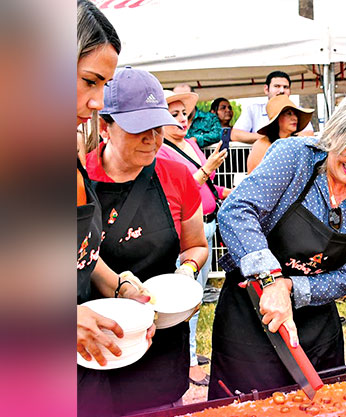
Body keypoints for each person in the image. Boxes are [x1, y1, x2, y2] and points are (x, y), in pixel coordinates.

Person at [207, 83, 346, 399]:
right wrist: (272, 280)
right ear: (338, 131)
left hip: (317, 330)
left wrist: (291, 288)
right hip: (250, 319)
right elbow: (236, 210)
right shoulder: (295, 156)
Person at [86, 66, 209, 415]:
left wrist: (186, 274)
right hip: (96, 337)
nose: (152, 140)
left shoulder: (177, 175)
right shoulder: (78, 176)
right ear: (105, 126)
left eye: (157, 127)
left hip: (160, 335)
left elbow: (197, 245)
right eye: (138, 128)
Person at [76, 2, 155, 416]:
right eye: (89, 81)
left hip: (85, 369)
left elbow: (78, 257)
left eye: (104, 86)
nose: (97, 102)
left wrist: (122, 289)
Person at [157, 89, 229, 386]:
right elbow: (182, 190)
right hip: (185, 233)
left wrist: (226, 192)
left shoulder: (190, 144)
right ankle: (187, 362)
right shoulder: (160, 151)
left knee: (196, 296)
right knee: (186, 299)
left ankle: (189, 353)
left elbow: (206, 187)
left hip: (205, 226)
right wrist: (207, 169)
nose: (182, 120)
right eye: (174, 115)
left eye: (185, 114)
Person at [231, 70, 314, 144]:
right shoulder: (253, 110)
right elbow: (235, 135)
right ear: (266, 89)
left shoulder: (298, 111)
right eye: (277, 86)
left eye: (285, 87)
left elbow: (309, 134)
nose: (282, 91)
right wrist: (271, 138)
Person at [246, 94, 314, 173]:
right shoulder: (262, 145)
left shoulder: (299, 143)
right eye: (289, 113)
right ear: (277, 119)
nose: (295, 118)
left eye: (296, 114)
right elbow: (253, 176)